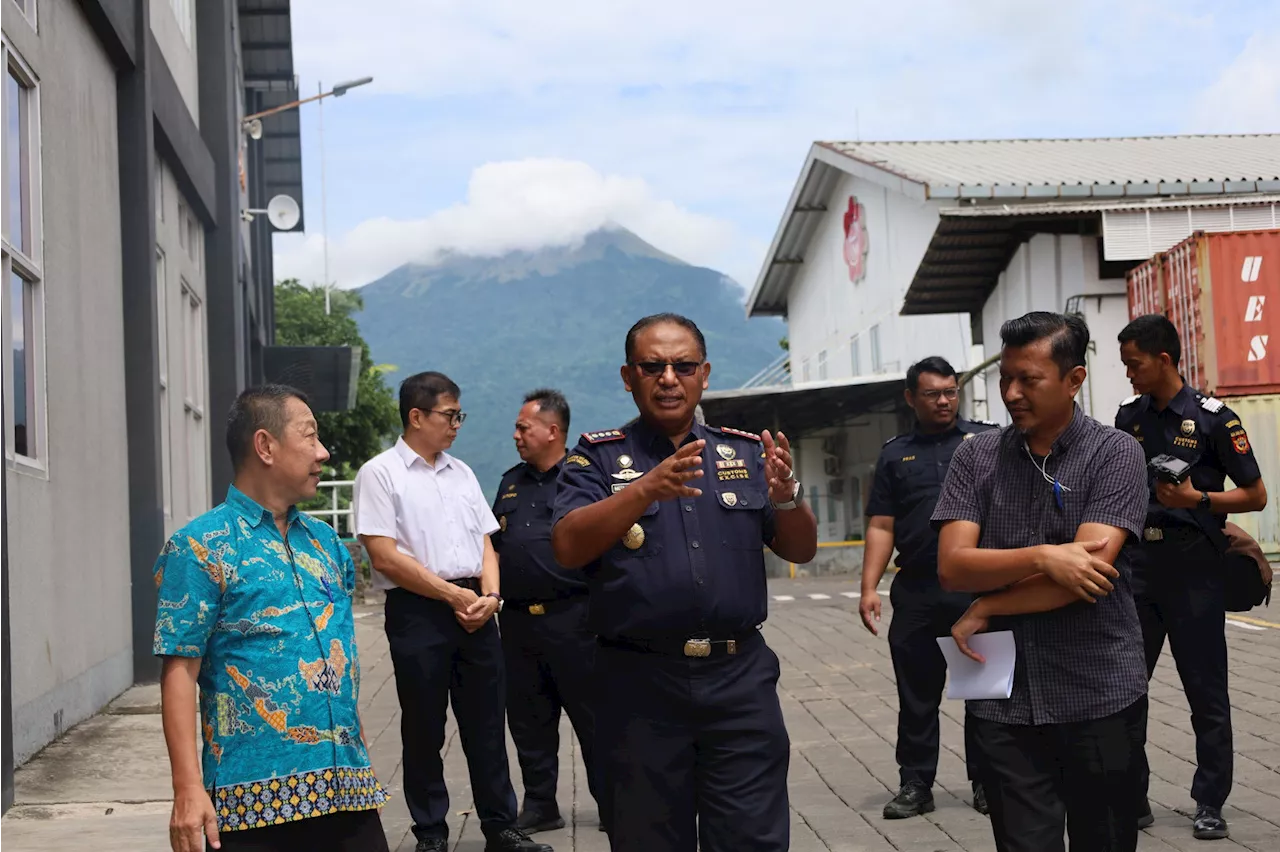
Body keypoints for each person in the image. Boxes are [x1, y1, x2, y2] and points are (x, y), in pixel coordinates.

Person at [551, 313, 818, 852]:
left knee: (753, 838)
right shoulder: (595, 458)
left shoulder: (743, 453)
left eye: (683, 365)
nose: (668, 378)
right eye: (653, 367)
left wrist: (787, 492)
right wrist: (644, 489)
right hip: (638, 685)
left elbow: (800, 548)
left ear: (704, 374)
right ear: (629, 377)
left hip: (739, 680)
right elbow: (567, 545)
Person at [932, 312, 1149, 852]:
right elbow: (953, 565)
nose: (1011, 393)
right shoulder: (976, 455)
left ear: (1074, 380)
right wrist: (1044, 556)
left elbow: (1086, 577)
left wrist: (987, 605)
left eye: (1029, 379)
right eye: (1006, 378)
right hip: (1004, 702)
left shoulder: (1116, 453)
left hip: (1099, 691)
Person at [154, 385, 390, 852]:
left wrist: (360, 755)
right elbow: (180, 670)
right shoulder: (201, 547)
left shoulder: (325, 543)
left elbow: (336, 660)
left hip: (348, 791)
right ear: (265, 446)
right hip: (253, 806)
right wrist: (187, 789)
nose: (323, 453)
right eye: (310, 436)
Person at [353, 372, 551, 852]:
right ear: (416, 416)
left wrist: (490, 596)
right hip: (418, 610)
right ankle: (431, 832)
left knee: (486, 722)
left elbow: (485, 541)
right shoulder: (379, 474)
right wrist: (451, 595)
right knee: (423, 724)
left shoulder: (460, 472)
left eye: (460, 414)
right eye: (450, 415)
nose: (457, 424)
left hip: (477, 610)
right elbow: (383, 555)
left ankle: (500, 826)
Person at [1115, 314, 1267, 841]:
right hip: (1139, 571)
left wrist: (1197, 499)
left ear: (1163, 360)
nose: (1128, 374)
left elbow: (1255, 495)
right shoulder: (1128, 418)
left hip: (1194, 569)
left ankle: (1209, 802)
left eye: (1133, 364)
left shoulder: (1213, 418)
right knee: (1127, 689)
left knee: (1206, 692)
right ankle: (1132, 798)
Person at [861, 356, 995, 819]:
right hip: (916, 592)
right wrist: (868, 588)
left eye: (951, 391)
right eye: (933, 394)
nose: (944, 401)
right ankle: (916, 784)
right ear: (911, 398)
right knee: (917, 695)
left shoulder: (987, 442)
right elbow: (882, 524)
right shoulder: (896, 454)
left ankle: (988, 784)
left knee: (985, 694)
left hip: (976, 591)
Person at [491, 389, 606, 834]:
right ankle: (541, 804)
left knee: (594, 717)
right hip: (518, 622)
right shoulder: (509, 481)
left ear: (553, 430)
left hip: (575, 619)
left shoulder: (584, 477)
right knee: (527, 719)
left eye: (524, 427)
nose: (516, 435)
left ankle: (612, 801)